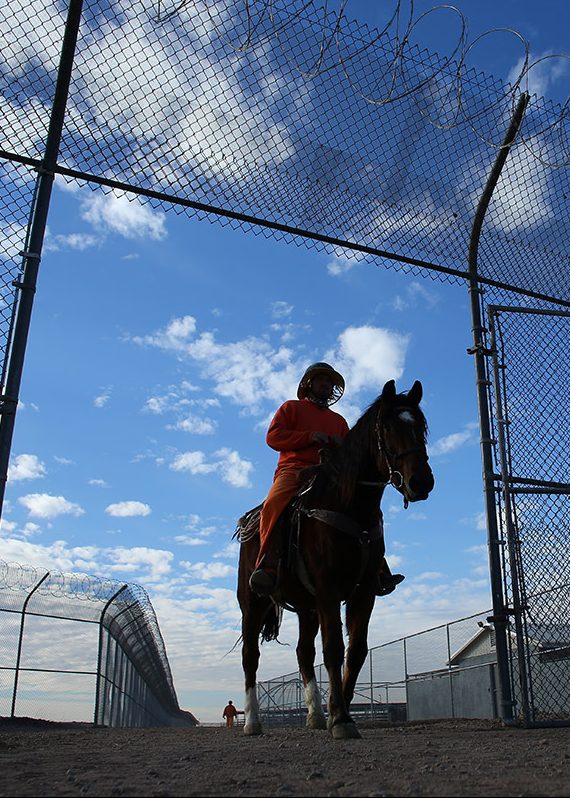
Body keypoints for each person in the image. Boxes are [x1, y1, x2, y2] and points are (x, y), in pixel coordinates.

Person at [248, 362, 405, 597]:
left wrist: (343, 447)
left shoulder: (339, 421)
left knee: (368, 508)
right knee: (273, 503)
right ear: (309, 384)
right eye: (321, 380)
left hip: (331, 473)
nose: (326, 384)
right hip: (295, 470)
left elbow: (352, 455)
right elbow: (273, 437)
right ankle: (267, 564)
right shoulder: (291, 408)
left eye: (329, 382)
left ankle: (377, 567)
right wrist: (310, 436)